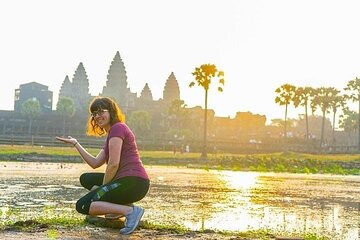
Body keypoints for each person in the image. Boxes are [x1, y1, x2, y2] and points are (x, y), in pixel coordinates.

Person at [56, 97, 150, 235]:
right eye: (94, 113)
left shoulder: (118, 128)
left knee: (82, 206)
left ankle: (130, 211)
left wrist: (103, 189)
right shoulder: (112, 135)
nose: (97, 116)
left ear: (111, 111)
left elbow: (113, 164)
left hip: (133, 182)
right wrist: (76, 144)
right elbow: (95, 163)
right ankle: (120, 207)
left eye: (101, 112)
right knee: (87, 179)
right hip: (128, 182)